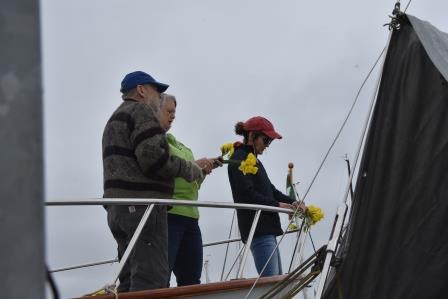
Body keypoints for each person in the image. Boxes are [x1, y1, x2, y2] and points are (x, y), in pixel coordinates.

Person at [102, 71, 204, 292]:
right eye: (156, 91)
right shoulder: (141, 111)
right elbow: (153, 160)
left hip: (117, 211)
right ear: (141, 90)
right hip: (142, 209)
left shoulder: (114, 118)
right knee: (152, 280)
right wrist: (189, 168)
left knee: (129, 280)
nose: (158, 97)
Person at [227, 116, 305, 277]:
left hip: (266, 229)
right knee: (271, 282)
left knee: (277, 281)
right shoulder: (239, 158)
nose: (267, 145)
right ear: (252, 136)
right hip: (258, 231)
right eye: (266, 140)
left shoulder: (253, 160)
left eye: (270, 142)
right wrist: (278, 205)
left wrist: (293, 202)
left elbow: (270, 190)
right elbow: (246, 194)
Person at [158, 94, 221, 286]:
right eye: (169, 112)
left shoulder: (182, 147)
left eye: (174, 113)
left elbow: (190, 182)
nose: (172, 117)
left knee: (192, 278)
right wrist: (195, 164)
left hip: (191, 218)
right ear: (156, 109)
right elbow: (162, 168)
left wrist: (201, 172)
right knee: (162, 276)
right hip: (170, 216)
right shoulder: (156, 142)